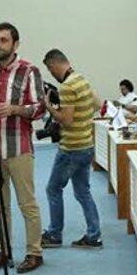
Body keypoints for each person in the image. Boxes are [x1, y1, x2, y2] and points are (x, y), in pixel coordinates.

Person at [0, 22, 46, 274]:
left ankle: (34, 252)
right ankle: (4, 250)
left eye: (4, 40)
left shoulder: (29, 71)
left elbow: (39, 108)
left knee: (26, 203)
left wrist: (15, 109)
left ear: (15, 44)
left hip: (19, 146)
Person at [40, 49, 102, 249]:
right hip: (86, 145)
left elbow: (66, 121)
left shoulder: (67, 87)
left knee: (53, 189)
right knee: (83, 192)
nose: (52, 75)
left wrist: (49, 107)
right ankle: (94, 236)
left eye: (50, 71)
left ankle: (54, 234)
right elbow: (95, 105)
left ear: (52, 65)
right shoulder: (81, 79)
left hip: (71, 149)